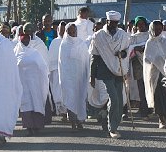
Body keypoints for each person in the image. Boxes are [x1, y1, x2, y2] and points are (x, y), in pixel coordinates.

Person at [90, 10, 130, 138]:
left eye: (115, 23)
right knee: (113, 98)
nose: (113, 25)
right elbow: (94, 57)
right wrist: (92, 76)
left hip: (118, 70)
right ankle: (111, 128)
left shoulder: (123, 35)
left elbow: (127, 51)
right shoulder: (98, 36)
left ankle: (110, 120)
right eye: (111, 23)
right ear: (106, 21)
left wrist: (122, 54)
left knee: (119, 100)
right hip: (104, 71)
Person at [15, 31, 50, 136]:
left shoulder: (35, 53)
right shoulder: (15, 53)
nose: (25, 42)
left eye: (27, 40)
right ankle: (29, 128)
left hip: (35, 84)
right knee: (26, 106)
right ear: (20, 41)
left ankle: (37, 127)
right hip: (23, 85)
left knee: (36, 104)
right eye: (23, 40)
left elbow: (43, 68)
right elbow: (12, 69)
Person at [59, 22, 89, 130]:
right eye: (69, 32)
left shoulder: (81, 43)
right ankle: (72, 123)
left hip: (80, 77)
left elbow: (86, 61)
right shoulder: (64, 45)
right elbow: (62, 63)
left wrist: (87, 75)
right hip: (68, 78)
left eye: (74, 31)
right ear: (66, 32)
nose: (72, 33)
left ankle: (80, 121)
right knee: (70, 98)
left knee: (80, 99)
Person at [144, 20, 166, 129]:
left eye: (159, 29)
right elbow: (147, 59)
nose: (157, 31)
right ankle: (161, 118)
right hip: (155, 74)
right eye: (155, 29)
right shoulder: (149, 43)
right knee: (158, 96)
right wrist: (155, 61)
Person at [130, 16, 151, 117]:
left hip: (149, 64)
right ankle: (143, 107)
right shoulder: (134, 37)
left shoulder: (150, 35)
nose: (141, 26)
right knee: (140, 87)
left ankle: (150, 107)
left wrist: (144, 47)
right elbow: (129, 49)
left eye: (142, 24)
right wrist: (136, 48)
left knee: (149, 86)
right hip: (137, 64)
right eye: (139, 24)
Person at [47, 23, 66, 119]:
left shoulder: (69, 41)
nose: (62, 32)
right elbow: (50, 58)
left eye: (64, 29)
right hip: (55, 72)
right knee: (57, 93)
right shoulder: (54, 42)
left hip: (67, 72)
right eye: (60, 29)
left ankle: (69, 113)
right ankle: (62, 113)